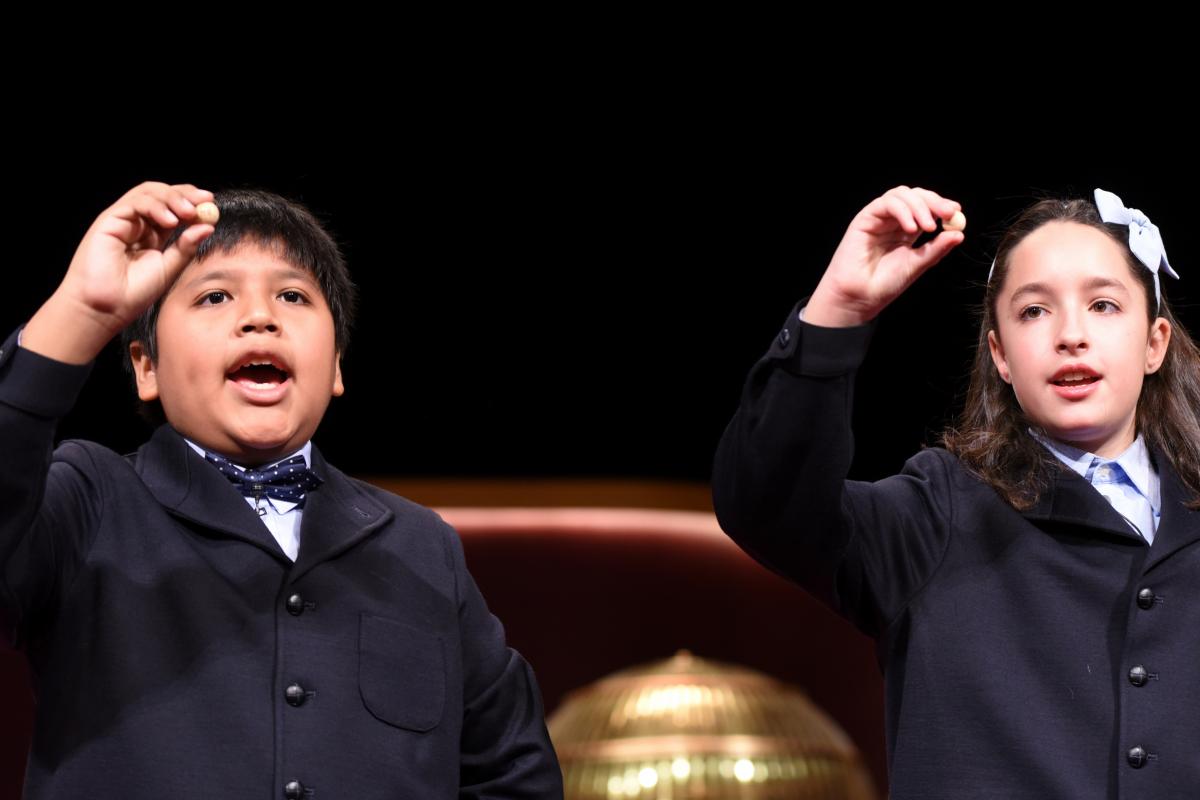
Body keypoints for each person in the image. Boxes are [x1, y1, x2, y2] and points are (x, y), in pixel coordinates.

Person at [0, 182, 564, 799]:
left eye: (293, 295)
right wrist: (81, 313)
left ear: (338, 366)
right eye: (215, 296)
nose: (260, 316)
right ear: (146, 367)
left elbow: (514, 775)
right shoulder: (88, 499)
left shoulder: (424, 548)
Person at [712, 185, 1200, 798]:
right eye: (1034, 311)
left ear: (1154, 342)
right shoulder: (937, 513)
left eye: (1103, 305)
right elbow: (766, 503)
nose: (1071, 335)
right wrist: (839, 308)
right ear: (999, 354)